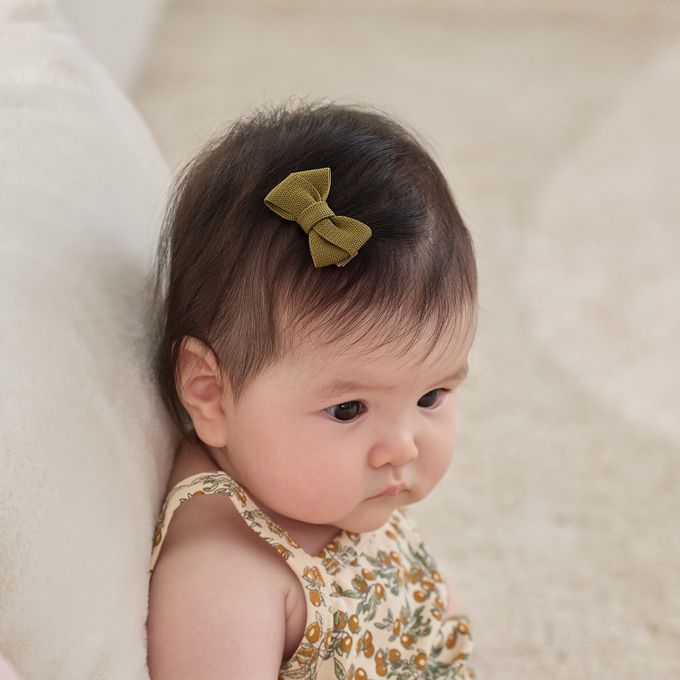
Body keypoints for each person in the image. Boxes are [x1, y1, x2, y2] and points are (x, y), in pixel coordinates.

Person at [145, 99, 478, 680]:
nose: (403, 446)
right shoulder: (224, 577)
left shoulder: (324, 486)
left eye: (431, 397)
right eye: (348, 408)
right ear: (210, 393)